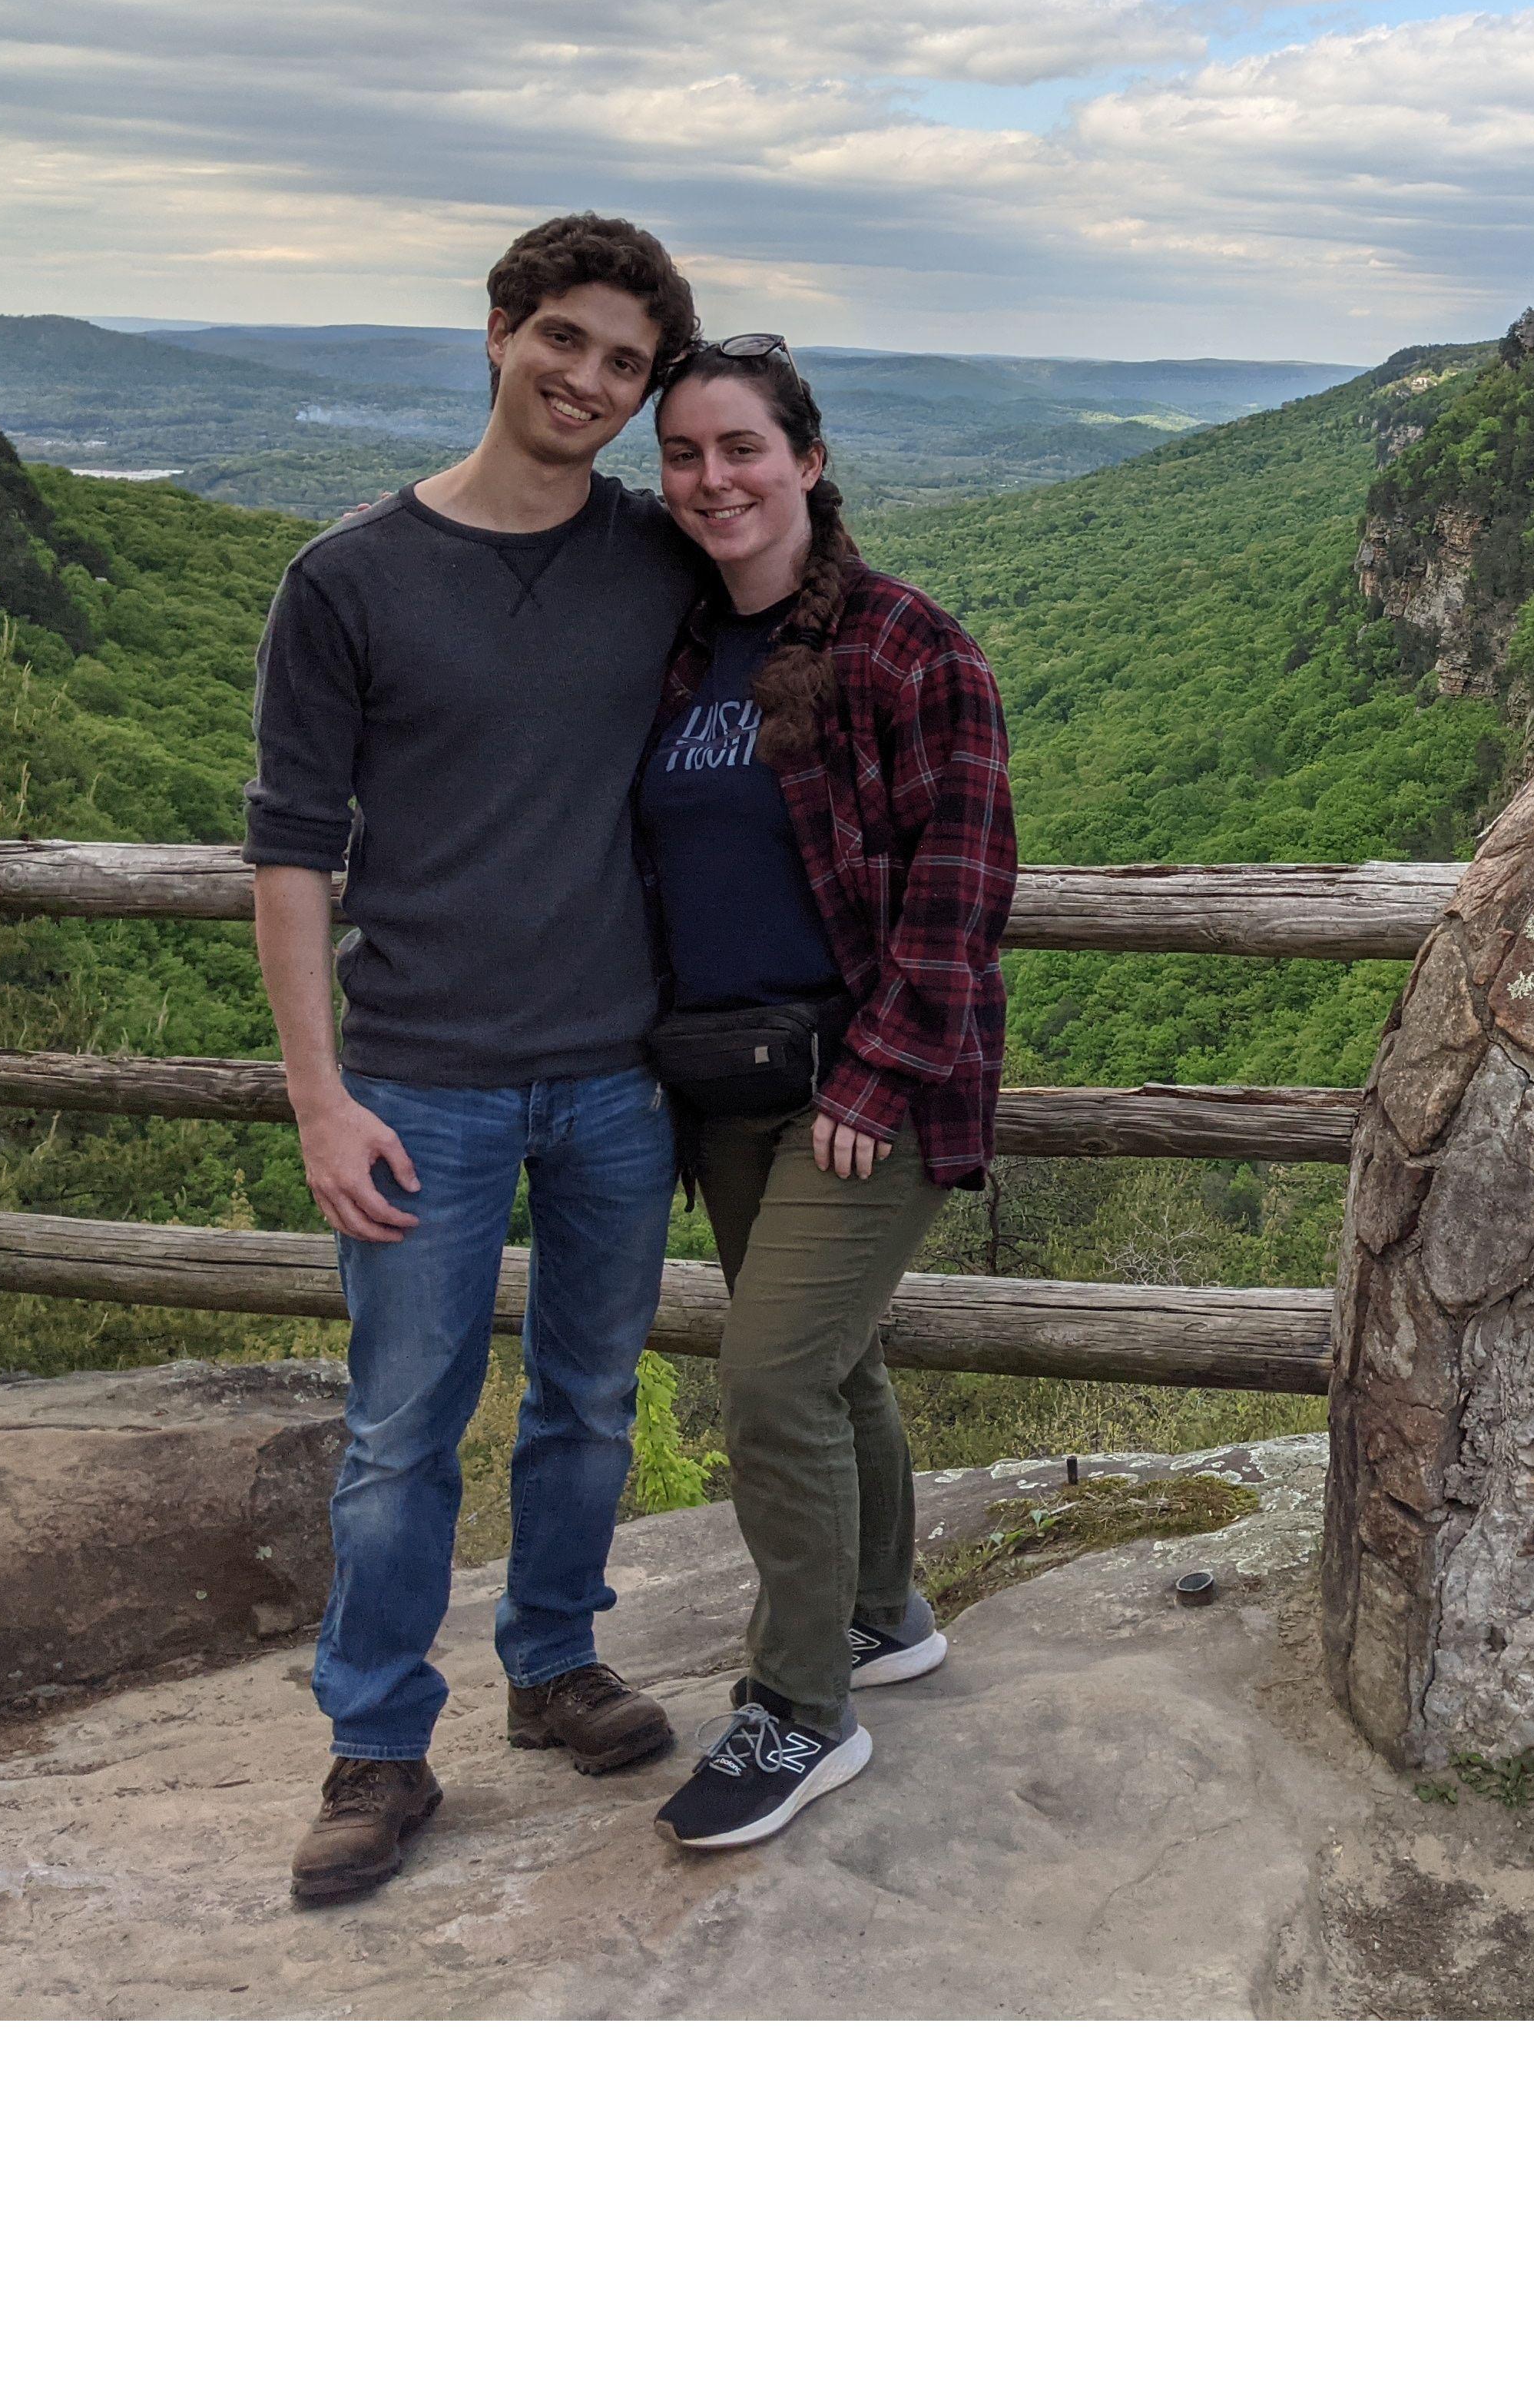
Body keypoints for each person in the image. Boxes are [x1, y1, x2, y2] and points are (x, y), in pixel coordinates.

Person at [247, 214, 707, 1905]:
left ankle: (553, 1664)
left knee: (589, 1410)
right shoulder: (349, 579)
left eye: (625, 364)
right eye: (566, 341)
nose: (590, 381)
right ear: (499, 330)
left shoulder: (659, 559)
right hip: (418, 1080)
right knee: (399, 1434)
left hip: (614, 1078)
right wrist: (321, 1094)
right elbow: (291, 849)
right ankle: (376, 1746)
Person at [634, 337, 1015, 1852]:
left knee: (773, 1373)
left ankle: (799, 1708)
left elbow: (961, 885)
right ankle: (880, 1613)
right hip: (722, 1079)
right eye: (682, 455)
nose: (711, 480)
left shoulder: (904, 644)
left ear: (806, 459)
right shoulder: (677, 651)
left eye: (740, 448)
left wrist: (875, 1073)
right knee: (835, 1361)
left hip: (870, 1082)